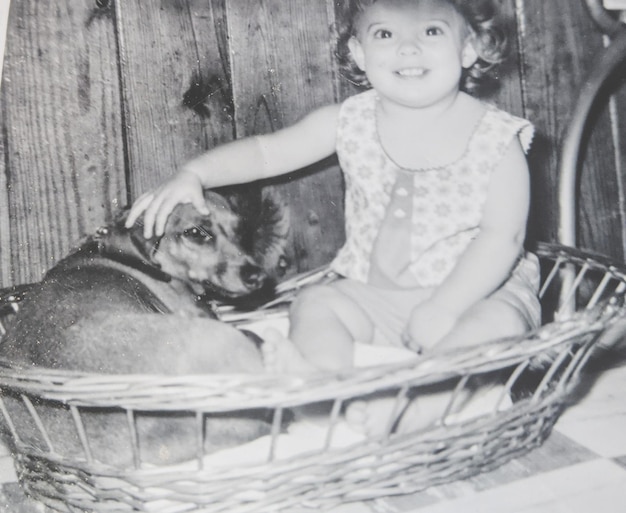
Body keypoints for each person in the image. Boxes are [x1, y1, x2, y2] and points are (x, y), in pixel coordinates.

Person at [127, 0, 541, 431]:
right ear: (359, 52)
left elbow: (502, 238)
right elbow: (266, 152)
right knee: (318, 302)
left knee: (500, 326)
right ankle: (322, 385)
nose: (408, 49)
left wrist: (445, 305)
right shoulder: (349, 120)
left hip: (478, 291)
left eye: (431, 32)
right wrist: (195, 172)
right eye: (385, 34)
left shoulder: (495, 138)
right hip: (375, 295)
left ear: (470, 48)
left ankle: (413, 408)